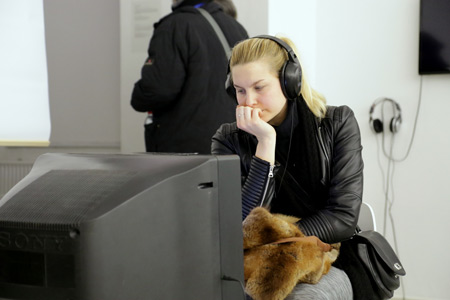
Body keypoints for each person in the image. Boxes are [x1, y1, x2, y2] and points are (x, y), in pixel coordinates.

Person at [211, 35, 371, 299]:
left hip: (325, 258)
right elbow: (238, 223)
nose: (248, 101)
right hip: (248, 261)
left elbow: (342, 218)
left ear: (290, 82)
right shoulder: (228, 139)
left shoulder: (337, 123)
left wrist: (280, 244)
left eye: (259, 87)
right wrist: (265, 143)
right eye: (240, 90)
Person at [131, 0, 248, 154]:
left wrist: (138, 97)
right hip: (236, 143)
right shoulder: (236, 27)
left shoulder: (174, 25)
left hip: (189, 151)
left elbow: (158, 89)